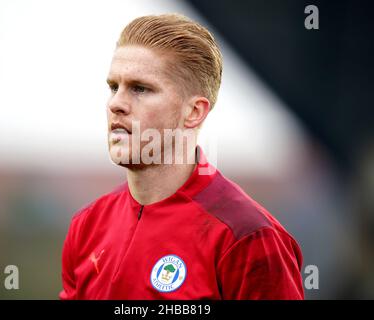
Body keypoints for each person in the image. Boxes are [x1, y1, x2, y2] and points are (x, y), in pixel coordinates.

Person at [59, 13, 304, 300]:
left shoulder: (247, 236)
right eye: (114, 87)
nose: (116, 104)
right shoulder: (87, 226)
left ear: (194, 112)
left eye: (140, 88)